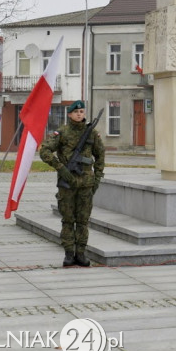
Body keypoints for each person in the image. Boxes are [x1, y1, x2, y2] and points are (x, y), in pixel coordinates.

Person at [38, 100, 105, 267]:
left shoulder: (91, 134)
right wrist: (61, 169)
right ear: (70, 114)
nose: (80, 114)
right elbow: (44, 150)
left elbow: (100, 156)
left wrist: (96, 179)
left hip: (86, 184)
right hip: (67, 184)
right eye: (76, 112)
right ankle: (69, 253)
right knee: (68, 220)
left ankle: (81, 253)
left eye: (82, 111)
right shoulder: (62, 132)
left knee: (83, 220)